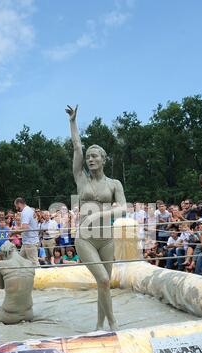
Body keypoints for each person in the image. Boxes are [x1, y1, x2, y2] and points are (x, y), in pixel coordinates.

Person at [66, 104, 126, 331]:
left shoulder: (114, 184)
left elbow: (123, 209)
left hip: (107, 238)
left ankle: (100, 324)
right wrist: (73, 122)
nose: (90, 159)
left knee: (105, 285)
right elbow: (77, 148)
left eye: (94, 156)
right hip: (86, 238)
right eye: (88, 156)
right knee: (102, 279)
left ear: (103, 159)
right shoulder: (81, 178)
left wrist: (101, 214)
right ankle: (113, 323)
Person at [14, 197, 39, 265]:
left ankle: (40, 275)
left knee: (34, 263)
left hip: (30, 242)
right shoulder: (29, 210)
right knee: (19, 262)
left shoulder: (25, 212)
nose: (16, 208)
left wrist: (13, 232)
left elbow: (24, 228)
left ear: (19, 204)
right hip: (28, 242)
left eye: (16, 206)